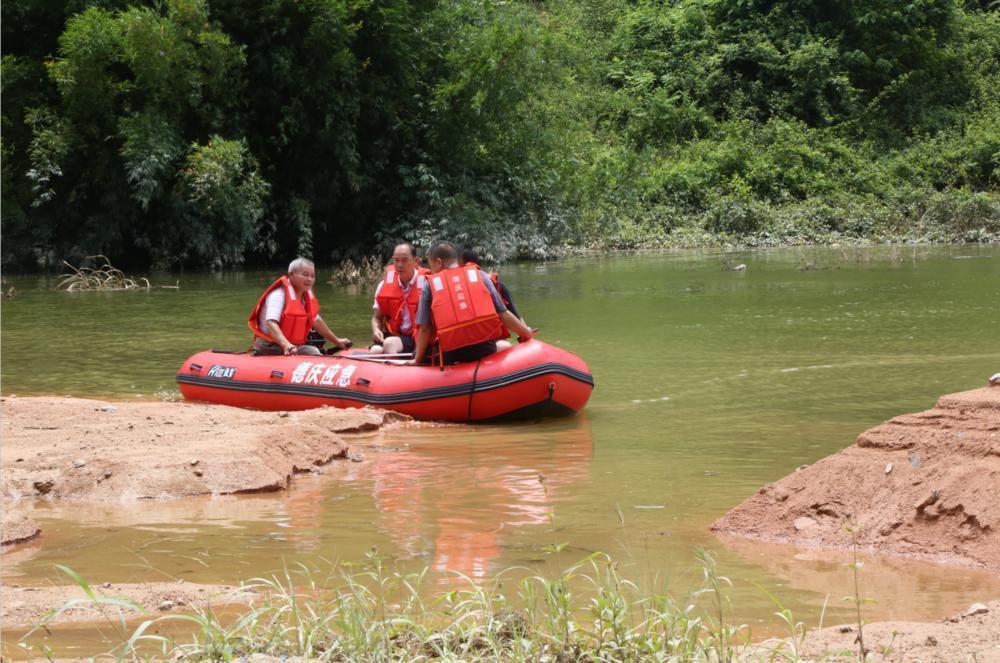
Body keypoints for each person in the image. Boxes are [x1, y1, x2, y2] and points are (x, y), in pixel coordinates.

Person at [411, 241, 533, 365]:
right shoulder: (481, 275)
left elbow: (425, 329)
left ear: (438, 262)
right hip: (485, 349)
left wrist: (417, 360)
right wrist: (526, 334)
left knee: (416, 353)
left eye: (431, 266)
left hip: (451, 354)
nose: (431, 271)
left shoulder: (429, 285)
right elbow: (503, 313)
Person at [248, 258, 351, 356]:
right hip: (269, 345)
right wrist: (286, 345)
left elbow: (316, 320)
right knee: (312, 350)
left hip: (292, 345)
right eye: (305, 275)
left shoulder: (305, 296)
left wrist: (336, 341)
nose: (309, 279)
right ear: (291, 275)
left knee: (312, 346)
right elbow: (271, 323)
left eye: (312, 276)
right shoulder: (278, 295)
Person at [370, 243, 427, 355]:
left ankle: (398, 370)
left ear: (416, 261)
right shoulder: (383, 285)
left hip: (418, 337)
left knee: (390, 344)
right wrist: (376, 331)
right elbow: (377, 318)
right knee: (375, 350)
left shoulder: (427, 285)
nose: (399, 265)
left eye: (405, 260)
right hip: (394, 335)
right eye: (396, 260)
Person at [460, 247, 525, 323]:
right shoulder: (482, 274)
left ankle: (524, 327)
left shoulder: (462, 276)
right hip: (499, 297)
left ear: (462, 262)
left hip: (482, 311)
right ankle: (524, 326)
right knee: (511, 308)